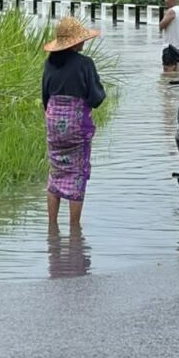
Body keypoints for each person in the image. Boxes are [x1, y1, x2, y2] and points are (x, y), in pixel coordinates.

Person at [42, 17, 106, 230]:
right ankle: (74, 230)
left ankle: (52, 228)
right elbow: (96, 98)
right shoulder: (85, 64)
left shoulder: (49, 63)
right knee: (77, 173)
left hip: (53, 122)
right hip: (76, 124)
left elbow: (45, 97)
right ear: (75, 42)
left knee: (56, 171)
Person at [159, 0, 179, 72]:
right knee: (176, 75)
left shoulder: (171, 11)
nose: (165, 0)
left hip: (170, 48)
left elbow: (161, 26)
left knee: (167, 78)